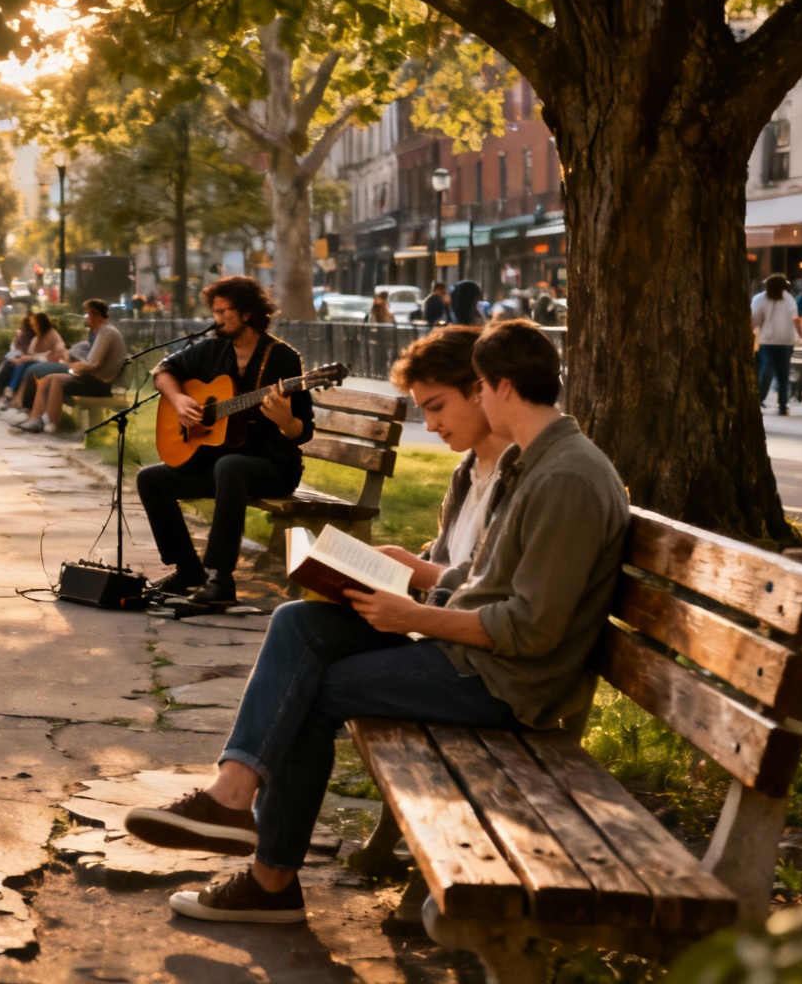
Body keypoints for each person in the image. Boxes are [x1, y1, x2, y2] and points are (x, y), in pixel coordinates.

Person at [121, 320, 628, 926]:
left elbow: (531, 630)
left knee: (306, 691)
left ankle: (269, 877)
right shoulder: (536, 465)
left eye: (457, 400)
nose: (437, 422)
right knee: (298, 624)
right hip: (469, 651)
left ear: (499, 387)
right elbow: (484, 580)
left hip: (504, 683)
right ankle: (235, 804)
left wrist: (414, 612)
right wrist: (409, 575)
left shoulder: (563, 475)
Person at [135, 277, 314, 607]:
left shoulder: (282, 359)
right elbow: (163, 371)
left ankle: (220, 578)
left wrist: (284, 420)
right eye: (214, 311)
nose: (215, 319)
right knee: (151, 479)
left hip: (274, 465)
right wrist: (178, 401)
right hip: (218, 464)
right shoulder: (213, 349)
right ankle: (188, 570)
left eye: (223, 311)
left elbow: (302, 432)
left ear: (246, 313)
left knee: (231, 466)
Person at [378, 326, 509, 595]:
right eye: (424, 411)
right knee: (297, 615)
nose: (430, 426)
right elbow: (441, 557)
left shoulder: (517, 477)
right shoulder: (466, 473)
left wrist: (412, 568)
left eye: (436, 407)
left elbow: (493, 590)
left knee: (296, 622)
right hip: (433, 617)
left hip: (457, 629)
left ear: (479, 389)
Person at [12, 300, 128, 434]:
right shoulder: (103, 331)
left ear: (94, 315)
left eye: (87, 315)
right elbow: (92, 362)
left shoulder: (107, 332)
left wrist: (75, 367)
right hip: (93, 379)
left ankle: (50, 422)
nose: (86, 319)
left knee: (57, 380)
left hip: (101, 383)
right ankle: (34, 420)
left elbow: (95, 365)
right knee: (46, 380)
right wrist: (74, 365)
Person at [755, 273, 799, 416]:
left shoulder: (760, 298)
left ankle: (759, 399)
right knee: (783, 374)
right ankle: (783, 405)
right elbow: (795, 318)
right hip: (786, 341)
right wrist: (799, 335)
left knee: (766, 370)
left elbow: (755, 319)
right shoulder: (788, 299)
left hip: (767, 340)